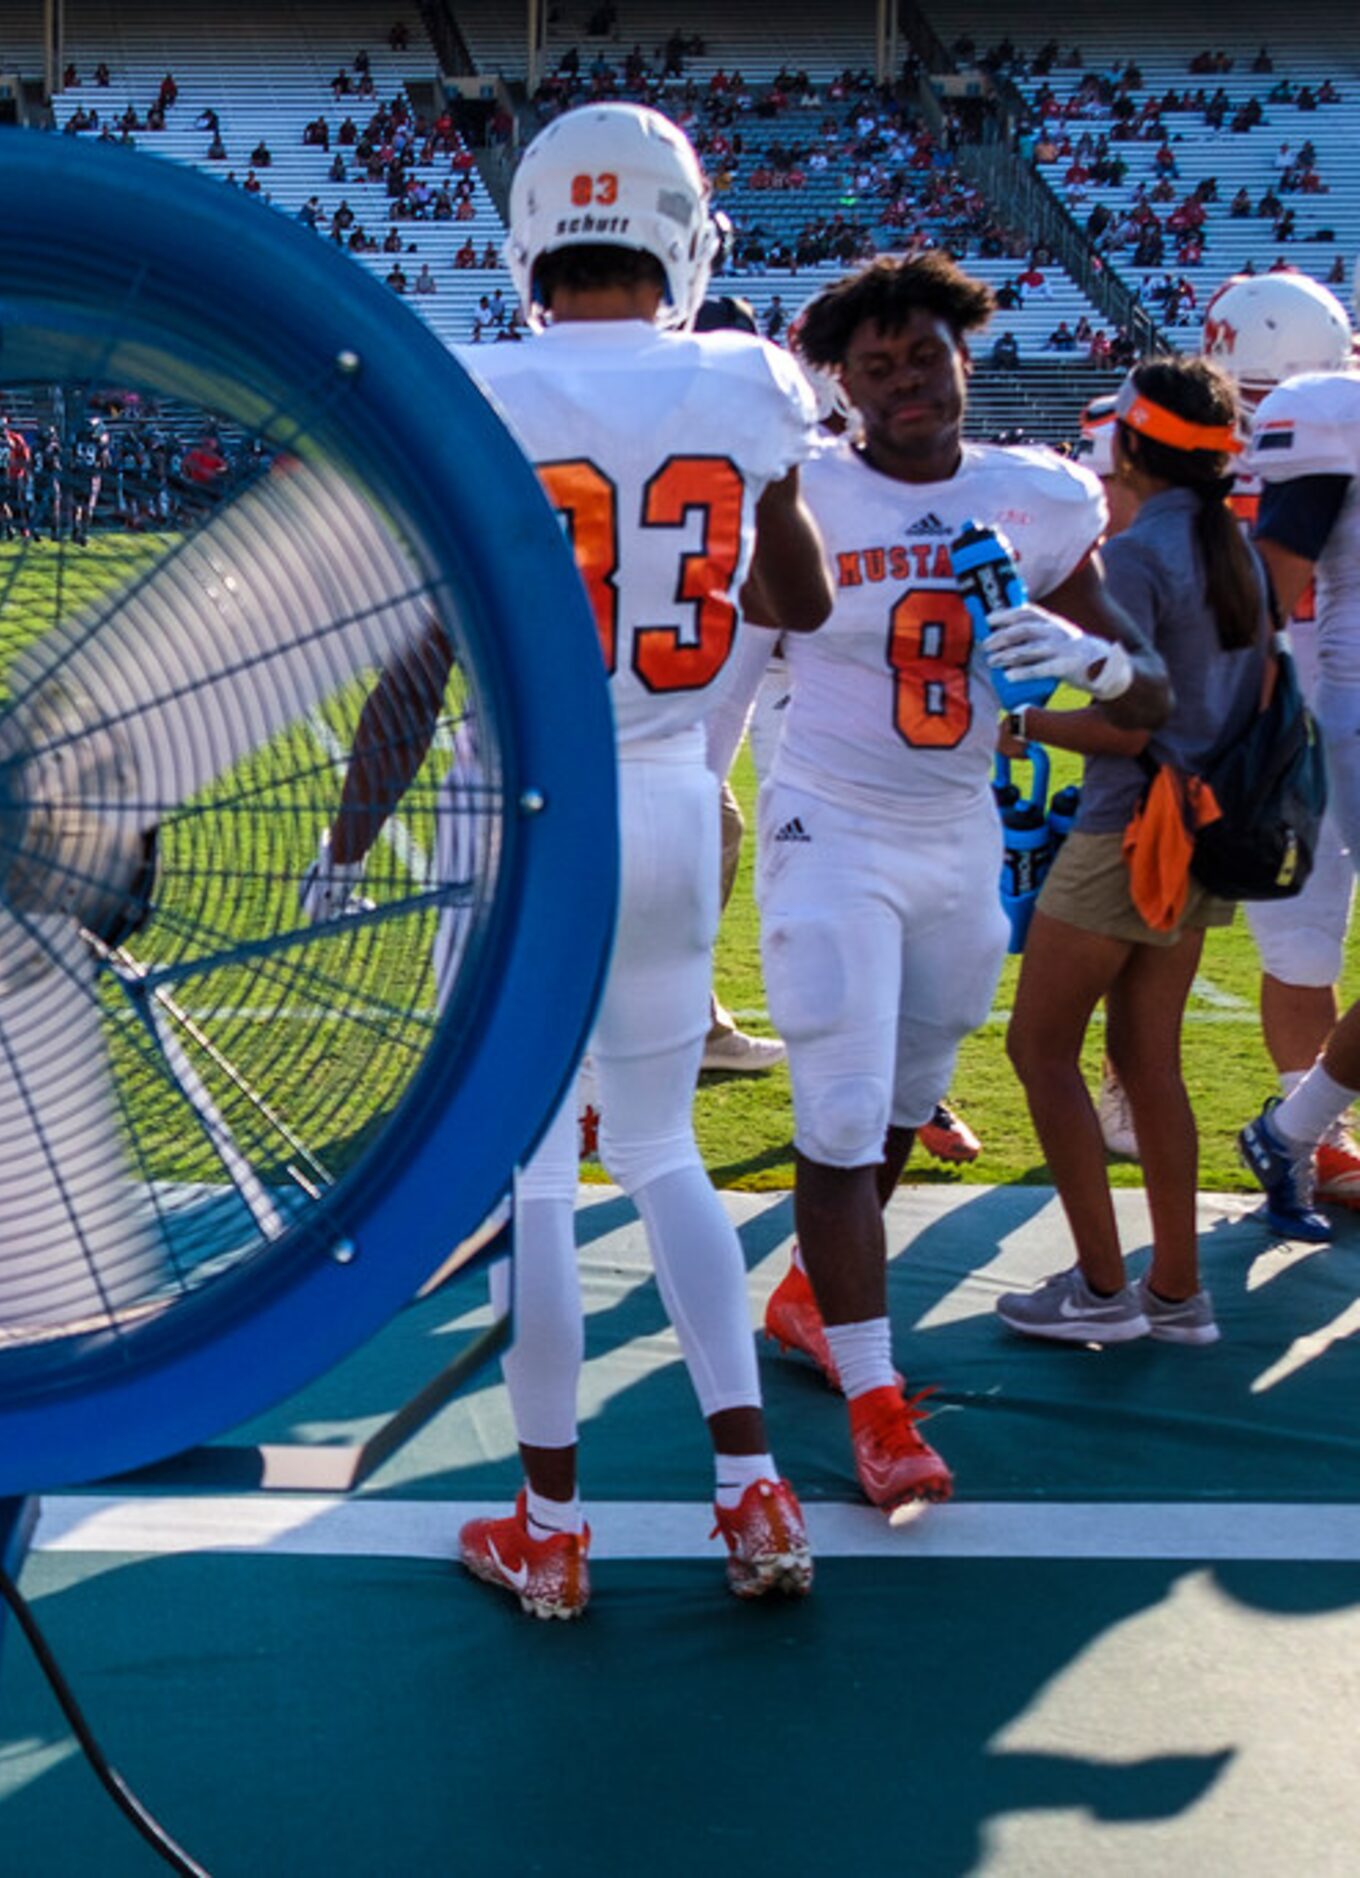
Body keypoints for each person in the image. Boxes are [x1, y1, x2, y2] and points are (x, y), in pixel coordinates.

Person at [437, 104, 836, 1618]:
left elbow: (434, 625)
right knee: (663, 1146)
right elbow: (791, 590)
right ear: (680, 228)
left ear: (533, 230)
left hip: (534, 802)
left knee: (538, 1168)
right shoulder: (746, 379)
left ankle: (553, 1519)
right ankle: (752, 1488)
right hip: (674, 791)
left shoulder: (478, 385)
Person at [772, 255, 1163, 1478]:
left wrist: (1087, 660)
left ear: (962, 362)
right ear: (840, 384)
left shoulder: (1035, 499)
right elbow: (735, 657)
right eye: (875, 366)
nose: (903, 385)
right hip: (827, 827)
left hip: (956, 835)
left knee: (898, 1104)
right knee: (837, 1113)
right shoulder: (809, 494)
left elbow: (1150, 693)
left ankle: (805, 1301)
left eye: (921, 359)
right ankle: (878, 1410)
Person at [1002, 358, 1259, 1341]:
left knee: (1037, 1047)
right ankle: (1174, 1291)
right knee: (1148, 1059)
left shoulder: (1141, 554)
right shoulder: (1226, 541)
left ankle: (1102, 1291)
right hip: (1197, 830)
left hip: (1125, 828)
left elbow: (1125, 724)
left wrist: (1026, 730)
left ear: (1129, 444)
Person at [1198, 273, 1360, 1216]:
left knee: (1301, 944)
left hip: (1296, 700)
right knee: (1301, 945)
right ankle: (1311, 1134)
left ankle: (1301, 1127)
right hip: (1318, 705)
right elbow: (1270, 578)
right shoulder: (1321, 412)